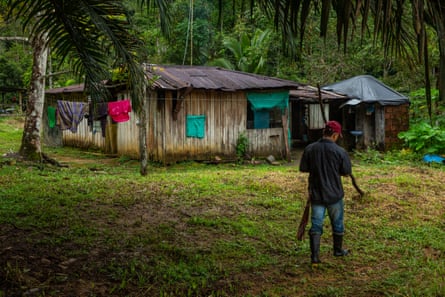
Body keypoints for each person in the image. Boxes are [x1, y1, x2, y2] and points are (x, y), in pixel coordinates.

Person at [299, 120, 352, 265]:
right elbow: (346, 171)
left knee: (316, 224)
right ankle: (337, 250)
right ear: (335, 135)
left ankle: (315, 257)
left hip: (316, 194)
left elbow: (303, 168)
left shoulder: (310, 149)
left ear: (324, 132)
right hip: (335, 195)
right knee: (338, 223)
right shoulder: (340, 152)